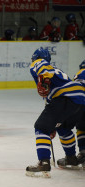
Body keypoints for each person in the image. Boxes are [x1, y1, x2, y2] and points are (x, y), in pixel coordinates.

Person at [26, 48, 85, 178]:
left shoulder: (40, 63)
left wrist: (45, 81)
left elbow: (42, 65)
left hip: (65, 98)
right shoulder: (60, 73)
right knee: (63, 128)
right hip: (80, 100)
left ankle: (44, 161)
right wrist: (52, 125)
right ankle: (71, 158)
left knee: (41, 127)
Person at [57, 60, 85, 168]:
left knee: (63, 126)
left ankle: (72, 157)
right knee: (82, 125)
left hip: (81, 102)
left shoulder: (81, 72)